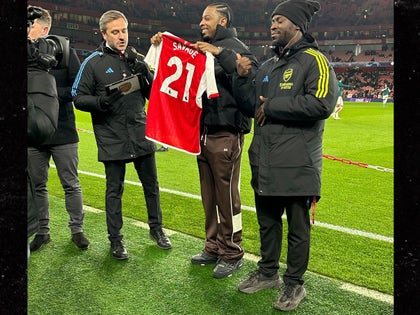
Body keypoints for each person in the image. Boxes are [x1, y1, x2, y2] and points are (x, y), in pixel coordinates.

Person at [233, 0, 337, 311]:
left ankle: (295, 284)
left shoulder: (315, 61)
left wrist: (273, 106)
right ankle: (268, 273)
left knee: (297, 226)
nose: (272, 25)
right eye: (272, 21)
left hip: (297, 162)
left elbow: (322, 105)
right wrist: (240, 78)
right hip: (265, 160)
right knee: (267, 222)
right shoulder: (267, 66)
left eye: (279, 20)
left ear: (296, 25)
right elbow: (251, 105)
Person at [149, 2, 258, 278]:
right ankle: (213, 246)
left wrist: (219, 52)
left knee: (227, 195)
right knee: (209, 195)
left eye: (207, 18)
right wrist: (163, 44)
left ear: (222, 21)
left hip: (226, 132)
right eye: (201, 18)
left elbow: (247, 72)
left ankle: (232, 251)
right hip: (203, 131)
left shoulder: (235, 46)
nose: (201, 22)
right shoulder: (202, 49)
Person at [71, 10, 171, 260]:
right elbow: (77, 97)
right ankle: (116, 240)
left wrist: (145, 73)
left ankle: (156, 230)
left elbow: (153, 96)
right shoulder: (92, 62)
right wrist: (102, 101)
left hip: (140, 132)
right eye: (115, 32)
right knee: (114, 189)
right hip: (112, 136)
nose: (121, 36)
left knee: (152, 186)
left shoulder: (135, 58)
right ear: (104, 34)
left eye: (124, 30)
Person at [27, 5, 90, 252]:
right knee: (37, 184)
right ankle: (43, 232)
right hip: (33, 131)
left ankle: (77, 230)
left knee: (70, 183)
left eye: (30, 25)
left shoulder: (64, 52)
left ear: (44, 28)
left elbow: (76, 89)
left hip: (63, 130)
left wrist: (48, 95)